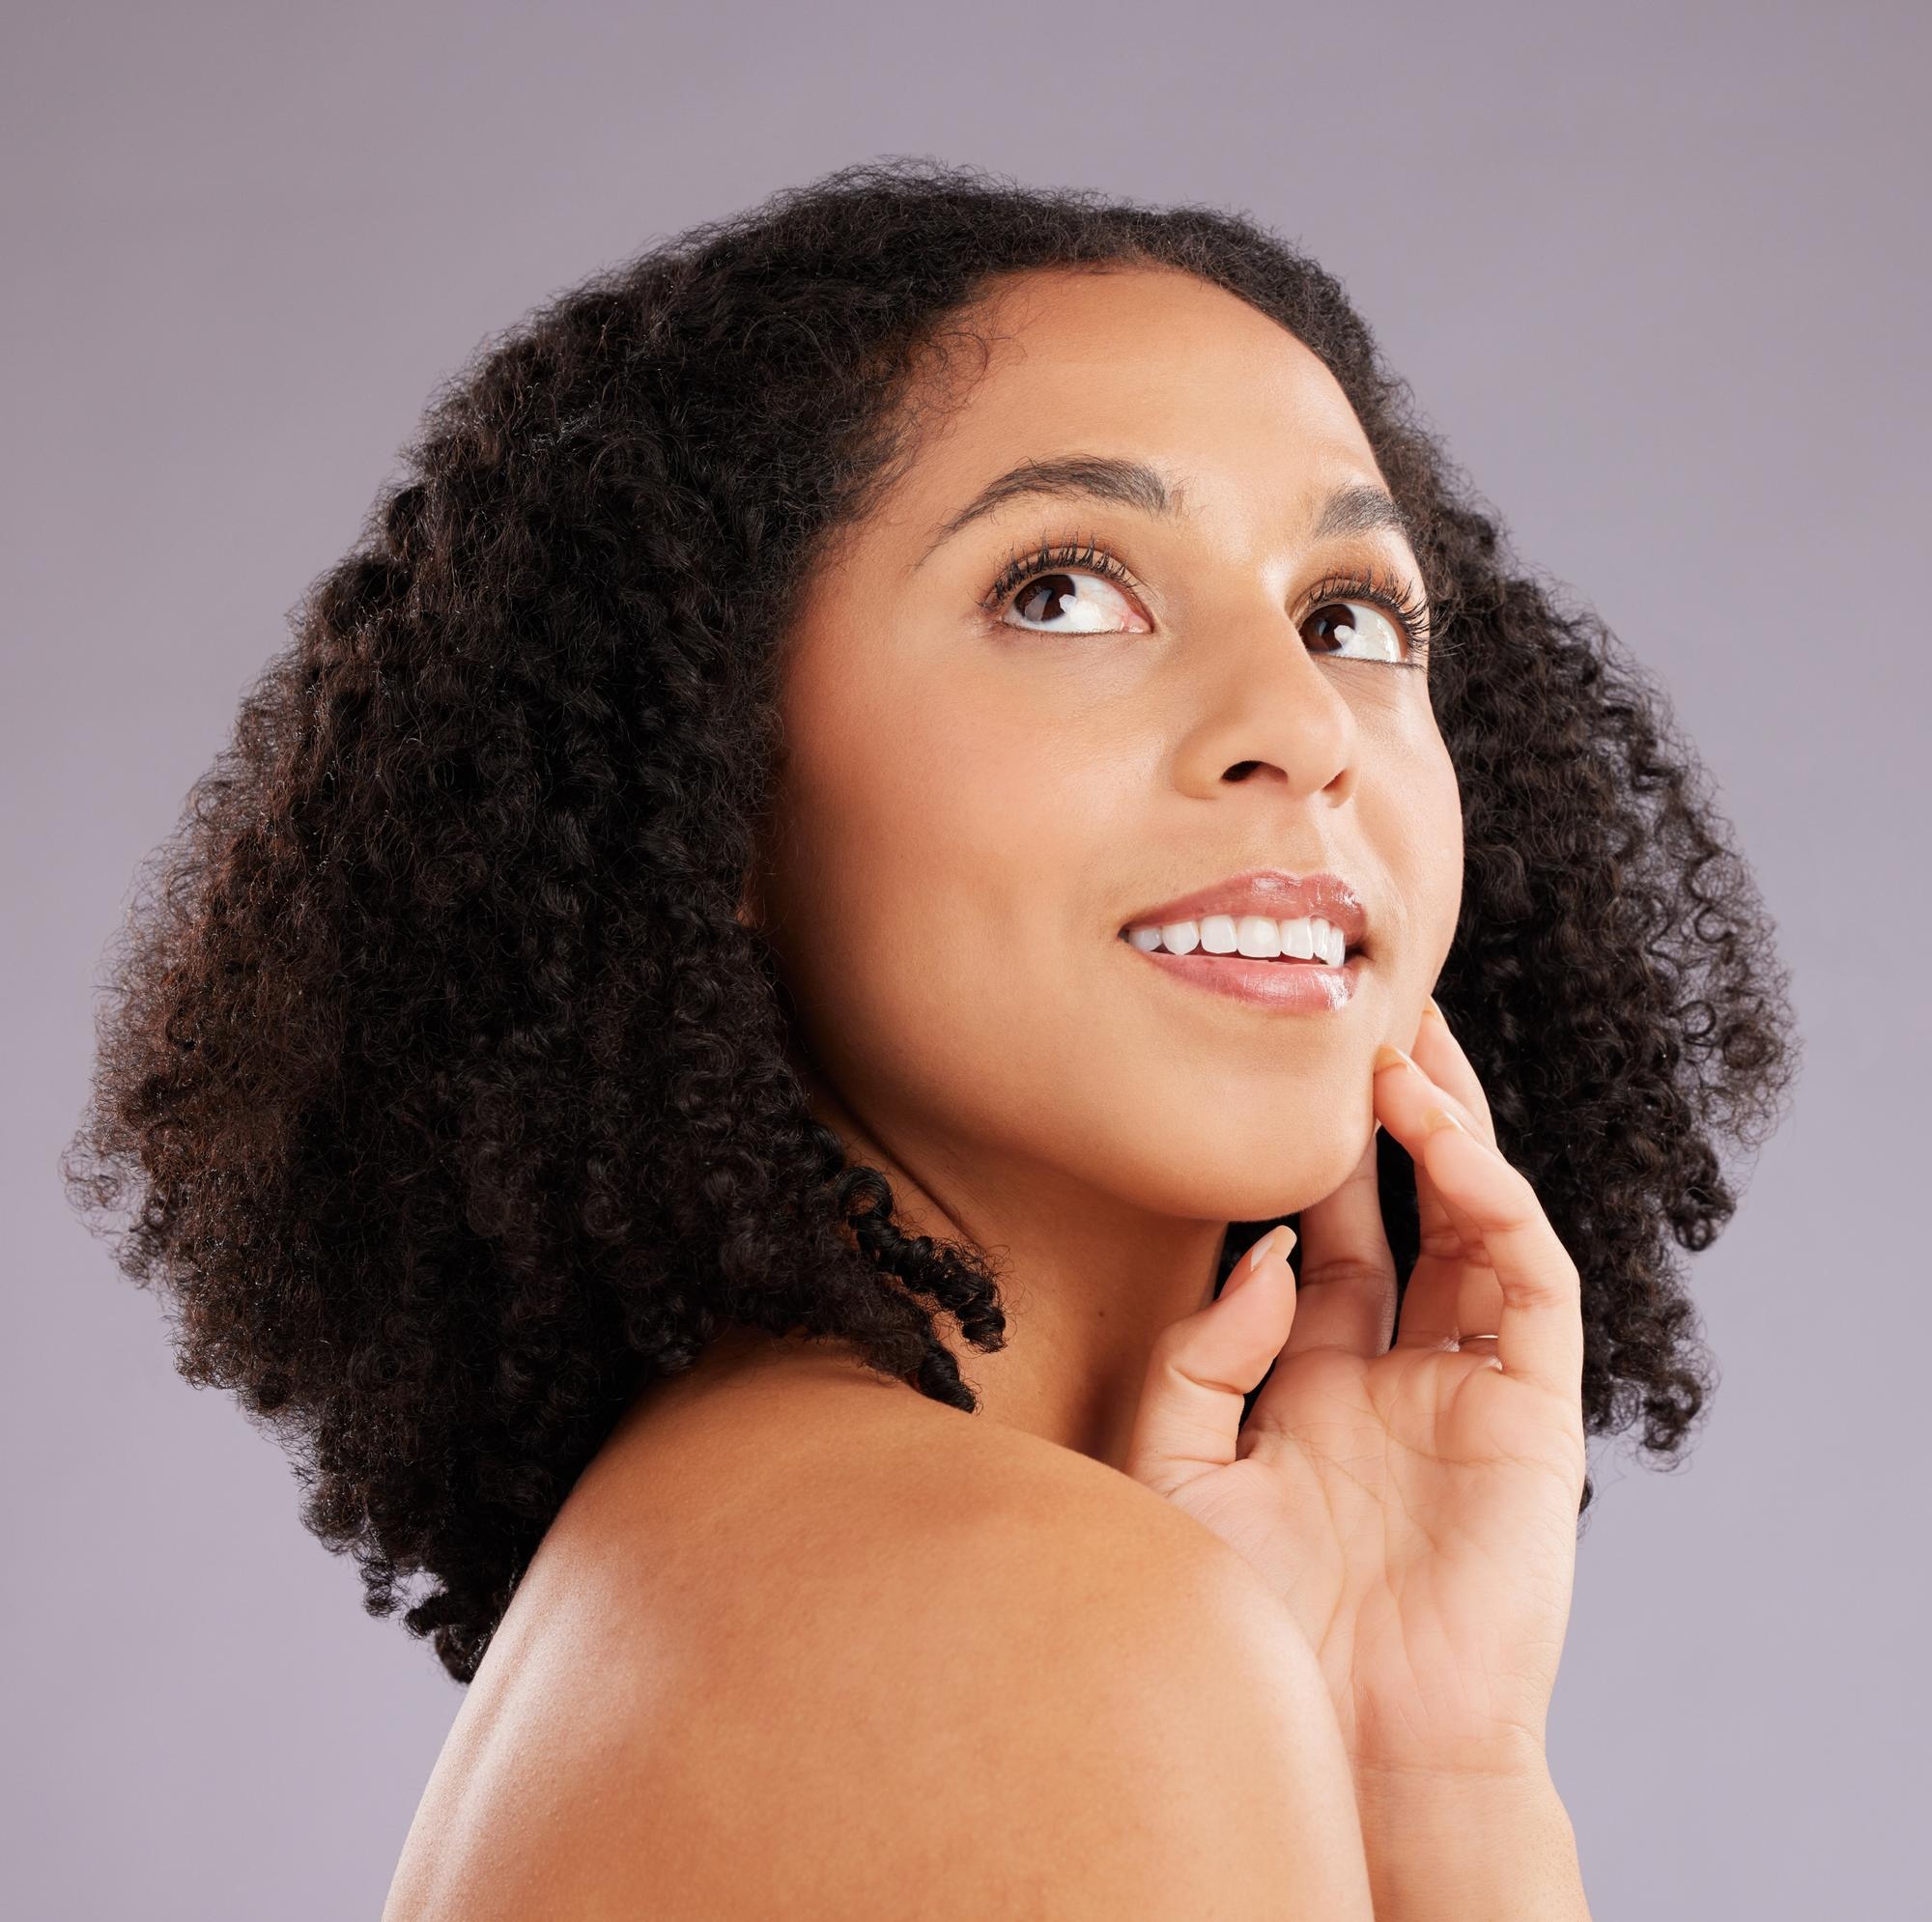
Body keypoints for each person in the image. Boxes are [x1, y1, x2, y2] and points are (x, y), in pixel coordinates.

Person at [66, 158, 1795, 1917]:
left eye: (1350, 617)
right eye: (1062, 589)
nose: (1298, 720)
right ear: (717, 790)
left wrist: (1438, 1767)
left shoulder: (783, 1554)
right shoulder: (1012, 1611)